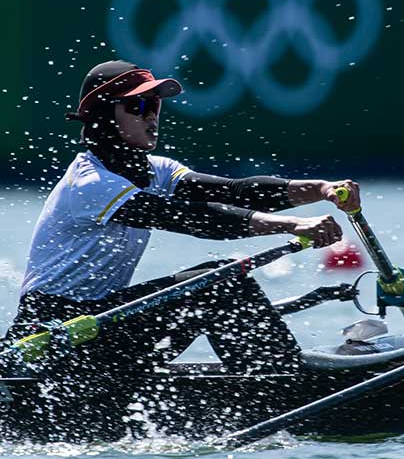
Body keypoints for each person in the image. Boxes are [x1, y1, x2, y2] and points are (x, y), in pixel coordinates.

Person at [7, 60, 360, 375]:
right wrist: (293, 225)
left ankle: (272, 375)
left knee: (215, 282)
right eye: (138, 105)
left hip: (98, 325)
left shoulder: (155, 171)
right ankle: (279, 386)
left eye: (155, 105)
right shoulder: (90, 184)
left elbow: (235, 191)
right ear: (103, 117)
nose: (151, 115)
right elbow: (189, 218)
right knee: (217, 281)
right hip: (53, 338)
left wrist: (321, 189)